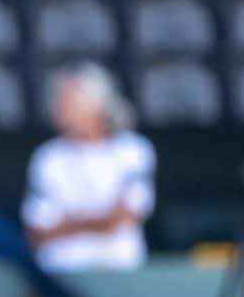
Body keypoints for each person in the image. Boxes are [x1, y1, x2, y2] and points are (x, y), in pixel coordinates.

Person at [20, 65, 156, 273]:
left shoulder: (133, 150)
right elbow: (37, 230)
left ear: (96, 105)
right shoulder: (47, 157)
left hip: (121, 272)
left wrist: (67, 225)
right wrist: (99, 222)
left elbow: (125, 215)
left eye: (68, 101)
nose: (58, 109)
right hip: (61, 273)